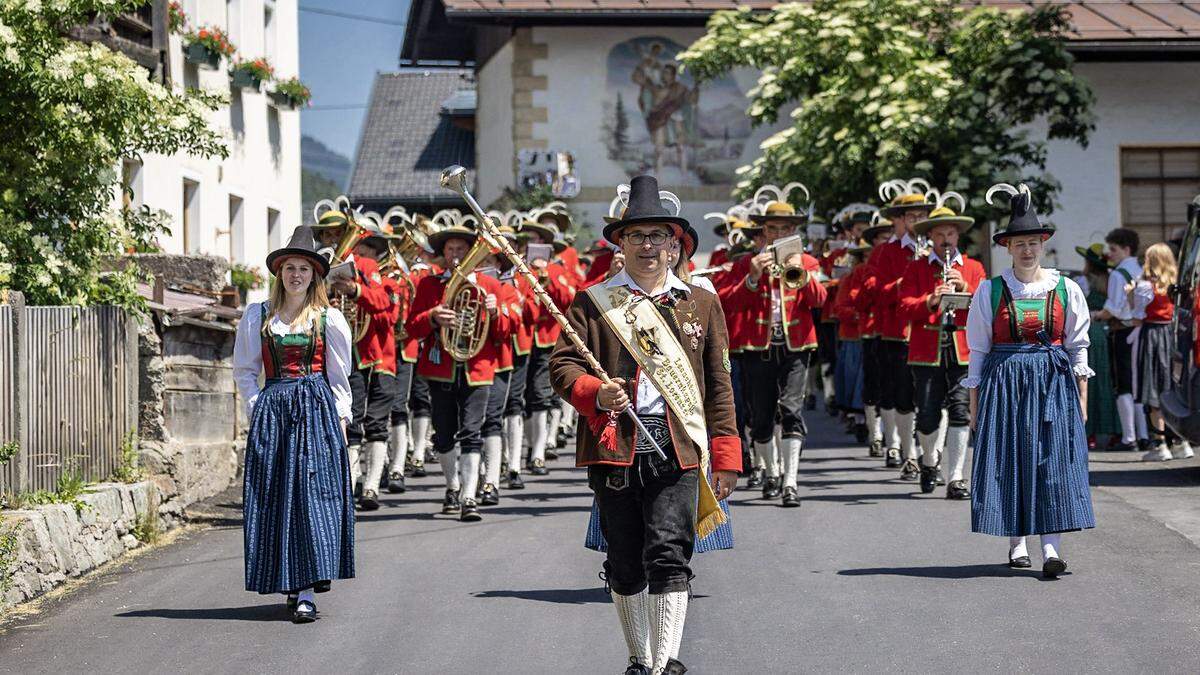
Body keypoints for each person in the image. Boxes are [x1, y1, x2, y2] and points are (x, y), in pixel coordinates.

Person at [550, 175, 740, 675]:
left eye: (658, 235)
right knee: (625, 560)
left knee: (669, 552)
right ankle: (639, 656)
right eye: (637, 236)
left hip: (678, 446)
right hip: (615, 443)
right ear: (621, 243)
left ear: (674, 243)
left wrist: (725, 457)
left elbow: (719, 385)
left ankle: (664, 663)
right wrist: (597, 392)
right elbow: (562, 367)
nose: (648, 245)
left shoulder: (700, 302)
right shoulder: (594, 302)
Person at [965, 183, 1094, 578]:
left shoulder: (1066, 288)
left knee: (1051, 462)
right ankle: (1017, 542)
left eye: (1033, 242)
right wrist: (975, 406)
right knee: (1012, 457)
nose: (1027, 250)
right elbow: (979, 351)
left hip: (1053, 384)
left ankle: (1051, 548)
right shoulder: (990, 291)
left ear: (1043, 245)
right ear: (1007, 247)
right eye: (1019, 243)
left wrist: (1082, 400)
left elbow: (1077, 347)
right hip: (1004, 383)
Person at [233, 226, 355, 623]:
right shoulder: (258, 316)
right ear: (280, 274)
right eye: (290, 268)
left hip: (316, 411)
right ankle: (289, 580)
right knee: (274, 497)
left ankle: (306, 591)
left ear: (314, 276)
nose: (296, 275)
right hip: (275, 412)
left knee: (310, 497)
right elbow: (245, 371)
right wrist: (259, 407)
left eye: (303, 268)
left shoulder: (328, 319)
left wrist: (340, 419)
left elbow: (339, 377)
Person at [404, 221, 516, 522]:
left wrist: (495, 312)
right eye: (451, 249)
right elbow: (411, 327)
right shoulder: (429, 285)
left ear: (473, 253)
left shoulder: (490, 286)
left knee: (472, 432)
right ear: (443, 253)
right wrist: (432, 317)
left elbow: (506, 333)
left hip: (478, 368)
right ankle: (452, 486)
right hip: (440, 367)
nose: (456, 255)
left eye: (462, 249)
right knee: (442, 436)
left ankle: (468, 496)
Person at [723, 184, 826, 507]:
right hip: (758, 348)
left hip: (797, 346)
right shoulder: (748, 263)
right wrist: (752, 278)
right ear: (763, 232)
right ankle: (770, 472)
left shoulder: (807, 261)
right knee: (762, 417)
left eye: (785, 228)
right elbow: (729, 303)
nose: (778, 233)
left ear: (794, 230)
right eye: (772, 229)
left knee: (792, 410)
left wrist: (803, 274)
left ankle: (790, 481)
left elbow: (820, 300)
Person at [897, 196, 985, 498]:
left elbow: (985, 309)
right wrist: (931, 299)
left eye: (950, 234)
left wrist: (966, 290)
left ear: (957, 236)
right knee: (927, 415)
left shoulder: (973, 267)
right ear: (930, 237)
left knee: (961, 411)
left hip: (962, 349)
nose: (945, 240)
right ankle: (929, 460)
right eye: (939, 235)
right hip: (926, 349)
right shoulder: (917, 268)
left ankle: (956, 477)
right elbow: (904, 307)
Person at [867, 179, 935, 474]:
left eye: (922, 216)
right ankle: (907, 452)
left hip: (929, 333)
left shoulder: (938, 250)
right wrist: (903, 282)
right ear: (900, 219)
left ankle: (930, 454)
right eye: (912, 216)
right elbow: (876, 294)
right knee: (900, 395)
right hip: (895, 333)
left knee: (930, 398)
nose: (917, 221)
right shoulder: (886, 252)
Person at [344, 223, 401, 510]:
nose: (356, 255)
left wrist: (357, 291)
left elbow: (387, 316)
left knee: (377, 424)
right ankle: (353, 479)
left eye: (363, 251)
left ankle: (372, 486)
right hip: (354, 356)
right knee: (352, 421)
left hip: (382, 360)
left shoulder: (388, 282)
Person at [518, 217, 576, 475]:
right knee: (525, 397)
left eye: (534, 239)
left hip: (545, 338)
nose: (529, 244)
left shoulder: (555, 269)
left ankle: (539, 452)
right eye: (526, 239)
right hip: (519, 339)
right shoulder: (517, 267)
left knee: (541, 396)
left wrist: (547, 277)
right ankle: (531, 446)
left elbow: (569, 299)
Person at [1133, 243, 1192, 461]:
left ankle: (1160, 444)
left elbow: (1137, 317)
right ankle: (1180, 441)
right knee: (1172, 386)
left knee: (1153, 386)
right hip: (1174, 335)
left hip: (1152, 335)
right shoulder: (1179, 285)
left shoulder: (1145, 286)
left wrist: (1130, 297)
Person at [1092, 227, 1143, 451]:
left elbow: (1111, 310)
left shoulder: (1118, 274)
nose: (1109, 254)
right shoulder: (1141, 269)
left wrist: (1094, 315)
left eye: (1113, 249)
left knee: (1122, 384)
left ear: (1126, 249)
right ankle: (1143, 435)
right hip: (1140, 330)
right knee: (1139, 384)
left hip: (1121, 330)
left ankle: (1128, 438)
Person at [1072, 244, 1122, 448]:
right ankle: (1114, 431)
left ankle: (1089, 431)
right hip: (1107, 332)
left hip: (1090, 331)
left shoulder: (1082, 281)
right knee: (1107, 381)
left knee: (1087, 381)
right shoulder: (1111, 280)